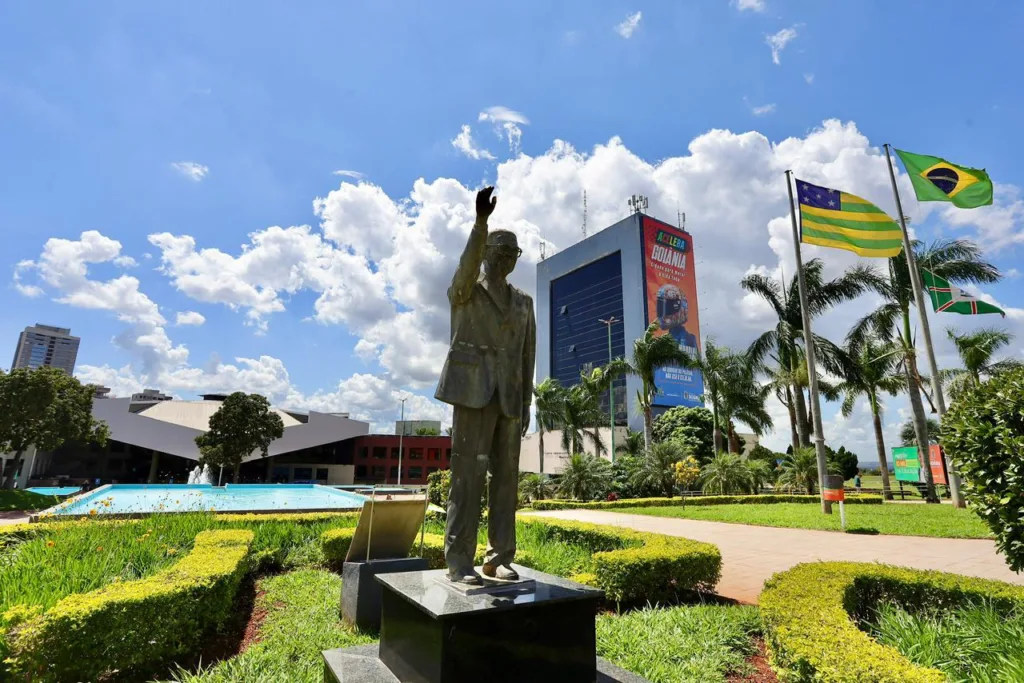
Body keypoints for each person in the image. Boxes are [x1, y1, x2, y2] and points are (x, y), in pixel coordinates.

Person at [434, 186, 536, 586]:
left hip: (510, 397)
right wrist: (481, 224)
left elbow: (527, 354)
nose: (508, 260)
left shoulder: (524, 302)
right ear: (487, 255)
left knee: (506, 478)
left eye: (514, 255)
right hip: (472, 392)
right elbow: (465, 267)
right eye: (501, 253)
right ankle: (459, 561)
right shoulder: (465, 292)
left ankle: (500, 557)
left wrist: (526, 402)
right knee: (467, 476)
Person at [656, 284, 697, 351]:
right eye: (660, 306)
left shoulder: (687, 340)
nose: (662, 312)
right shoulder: (666, 340)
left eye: (668, 306)